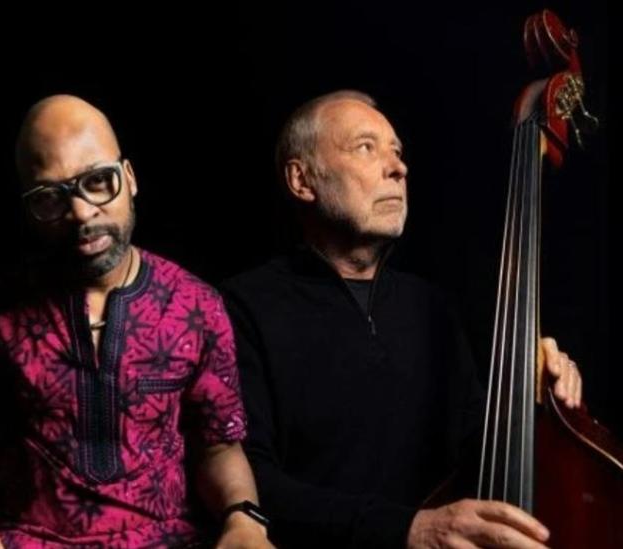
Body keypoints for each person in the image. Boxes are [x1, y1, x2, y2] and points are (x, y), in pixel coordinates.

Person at [220, 90, 583, 548]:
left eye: (397, 152)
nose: (398, 168)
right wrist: (410, 529)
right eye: (366, 147)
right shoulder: (242, 307)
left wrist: (536, 401)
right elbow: (250, 487)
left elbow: (480, 452)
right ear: (302, 180)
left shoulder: (432, 308)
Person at [0, 95, 273, 548]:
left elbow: (218, 446)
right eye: (50, 198)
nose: (81, 212)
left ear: (129, 178)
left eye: (98, 182)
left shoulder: (197, 306)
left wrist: (244, 519)